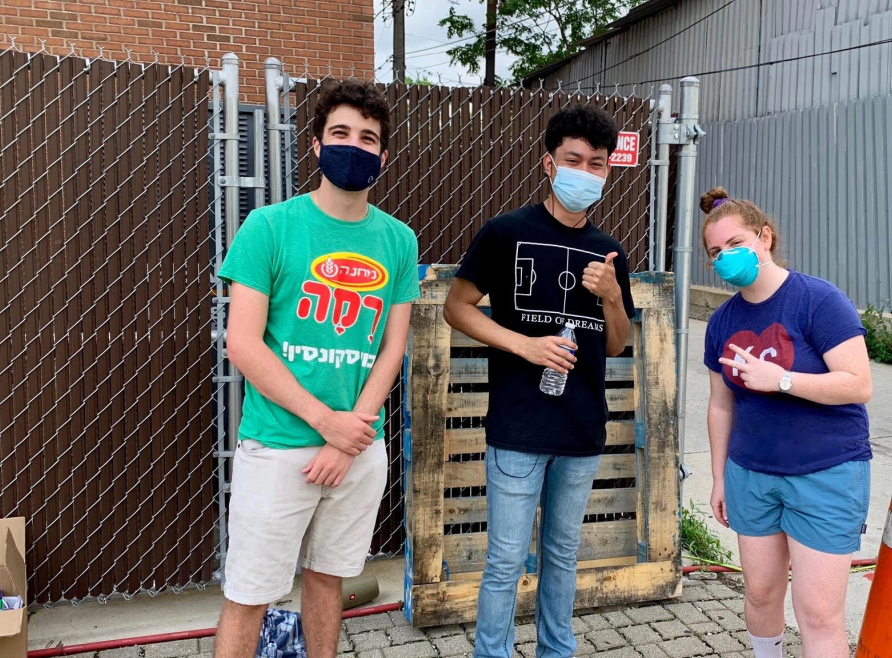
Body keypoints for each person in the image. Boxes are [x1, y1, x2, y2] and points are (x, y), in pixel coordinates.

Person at [214, 80, 420, 658]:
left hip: (358, 446)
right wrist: (325, 422)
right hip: (280, 444)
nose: (353, 146)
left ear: (383, 155)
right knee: (249, 594)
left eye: (368, 138)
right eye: (340, 134)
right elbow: (244, 345)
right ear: (315, 145)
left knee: (328, 580)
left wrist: (349, 434)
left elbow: (391, 349)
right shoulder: (268, 227)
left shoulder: (398, 240)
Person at [443, 104, 636, 658]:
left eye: (597, 163)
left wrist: (613, 296)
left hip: (581, 430)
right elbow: (458, 308)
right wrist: (524, 344)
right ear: (548, 163)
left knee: (563, 554)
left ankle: (558, 650)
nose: (585, 172)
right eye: (573, 159)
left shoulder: (610, 251)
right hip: (519, 427)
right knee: (505, 558)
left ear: (607, 171)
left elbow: (617, 342)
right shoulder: (506, 232)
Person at [700, 187, 873, 658]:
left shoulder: (818, 300)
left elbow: (858, 384)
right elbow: (721, 406)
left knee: (817, 613)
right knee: (759, 595)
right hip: (751, 476)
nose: (726, 257)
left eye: (736, 244)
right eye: (716, 252)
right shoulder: (722, 321)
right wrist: (719, 478)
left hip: (826, 474)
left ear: (766, 237)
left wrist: (782, 381)